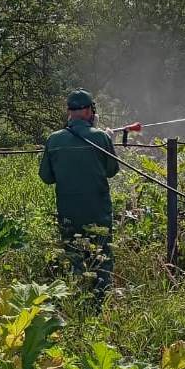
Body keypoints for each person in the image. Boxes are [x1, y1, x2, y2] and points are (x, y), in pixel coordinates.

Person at [39, 89, 119, 304]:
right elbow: (112, 170)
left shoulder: (54, 140)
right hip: (98, 212)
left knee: (74, 258)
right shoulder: (101, 137)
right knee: (101, 259)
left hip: (69, 212)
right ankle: (100, 304)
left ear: (70, 112)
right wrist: (108, 140)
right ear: (86, 111)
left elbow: (46, 177)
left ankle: (76, 301)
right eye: (92, 109)